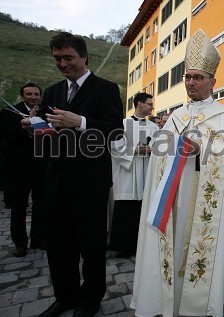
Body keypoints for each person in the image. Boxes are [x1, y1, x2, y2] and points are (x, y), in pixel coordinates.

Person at [131, 29, 224, 317]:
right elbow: (158, 158)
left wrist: (204, 149)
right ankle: (171, 301)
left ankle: (205, 303)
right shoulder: (175, 116)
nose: (191, 82)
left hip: (206, 202)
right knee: (171, 251)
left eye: (198, 77)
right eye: (188, 77)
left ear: (212, 81)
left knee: (202, 250)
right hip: (173, 201)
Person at [27, 32, 123, 317]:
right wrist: (32, 125)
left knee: (91, 247)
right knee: (58, 246)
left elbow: (115, 131)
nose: (62, 64)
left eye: (68, 58)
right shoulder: (54, 91)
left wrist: (79, 121)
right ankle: (65, 297)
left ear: (84, 57)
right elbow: (46, 126)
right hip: (56, 180)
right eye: (57, 58)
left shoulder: (105, 88)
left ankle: (90, 300)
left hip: (90, 182)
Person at [1, 82, 47, 257]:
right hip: (18, 168)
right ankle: (20, 243)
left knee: (41, 205)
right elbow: (5, 137)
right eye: (29, 94)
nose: (33, 97)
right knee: (18, 207)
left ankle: (39, 238)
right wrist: (23, 127)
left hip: (41, 166)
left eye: (36, 94)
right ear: (22, 96)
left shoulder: (46, 112)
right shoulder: (8, 112)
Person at [109, 93, 158, 255]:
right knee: (126, 210)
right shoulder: (122, 124)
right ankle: (123, 246)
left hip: (146, 173)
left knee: (144, 208)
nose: (152, 107)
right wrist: (134, 150)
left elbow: (161, 148)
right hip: (127, 175)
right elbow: (114, 148)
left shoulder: (154, 127)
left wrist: (153, 150)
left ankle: (142, 245)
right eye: (149, 104)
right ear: (139, 104)